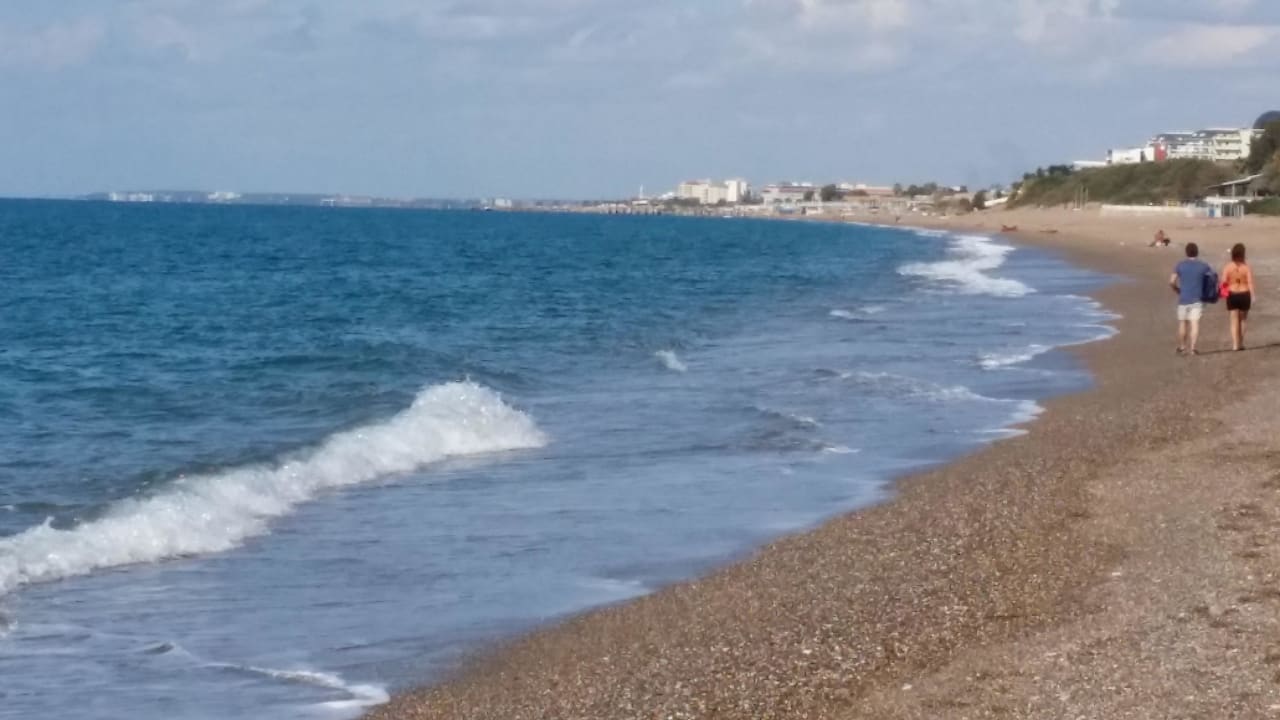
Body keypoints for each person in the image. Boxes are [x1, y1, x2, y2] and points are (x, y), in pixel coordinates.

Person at [1170, 242, 1211, 355]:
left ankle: (1183, 346)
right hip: (1197, 298)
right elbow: (1212, 279)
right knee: (1195, 323)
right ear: (1196, 252)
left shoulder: (1180, 265)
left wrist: (1177, 290)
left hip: (1184, 298)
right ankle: (1193, 348)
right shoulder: (1203, 266)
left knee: (1183, 323)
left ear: (1186, 252)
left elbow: (1172, 281)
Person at [1222, 243, 1256, 351]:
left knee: (1233, 320)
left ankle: (1235, 344)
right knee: (1243, 320)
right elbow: (1250, 282)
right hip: (1244, 293)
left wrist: (1224, 294)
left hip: (1232, 294)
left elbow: (1224, 282)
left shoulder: (1228, 267)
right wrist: (1253, 295)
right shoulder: (1246, 267)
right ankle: (1241, 342)